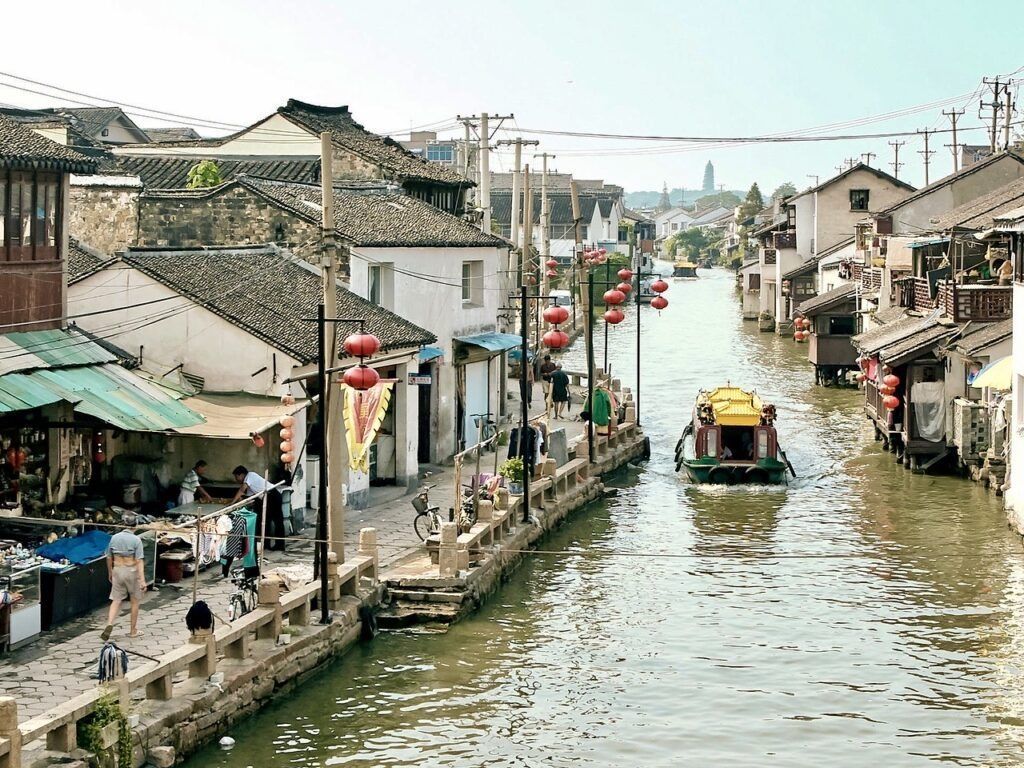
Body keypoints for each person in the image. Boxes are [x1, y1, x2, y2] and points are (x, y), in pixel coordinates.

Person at [101, 527, 146, 640]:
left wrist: (110, 572)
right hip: (131, 571)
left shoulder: (114, 538)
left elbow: (108, 557)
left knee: (116, 600)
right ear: (134, 526)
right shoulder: (136, 540)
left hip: (118, 570)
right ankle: (133, 631)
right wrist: (142, 580)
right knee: (134, 601)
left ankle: (109, 624)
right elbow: (139, 560)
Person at [231, 465, 285, 551]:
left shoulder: (250, 476)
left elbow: (241, 490)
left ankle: (280, 545)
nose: (236, 479)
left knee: (277, 521)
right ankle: (266, 544)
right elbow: (248, 496)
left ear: (241, 474)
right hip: (267, 497)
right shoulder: (250, 484)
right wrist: (241, 500)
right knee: (266, 521)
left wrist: (232, 503)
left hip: (272, 495)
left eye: (236, 477)